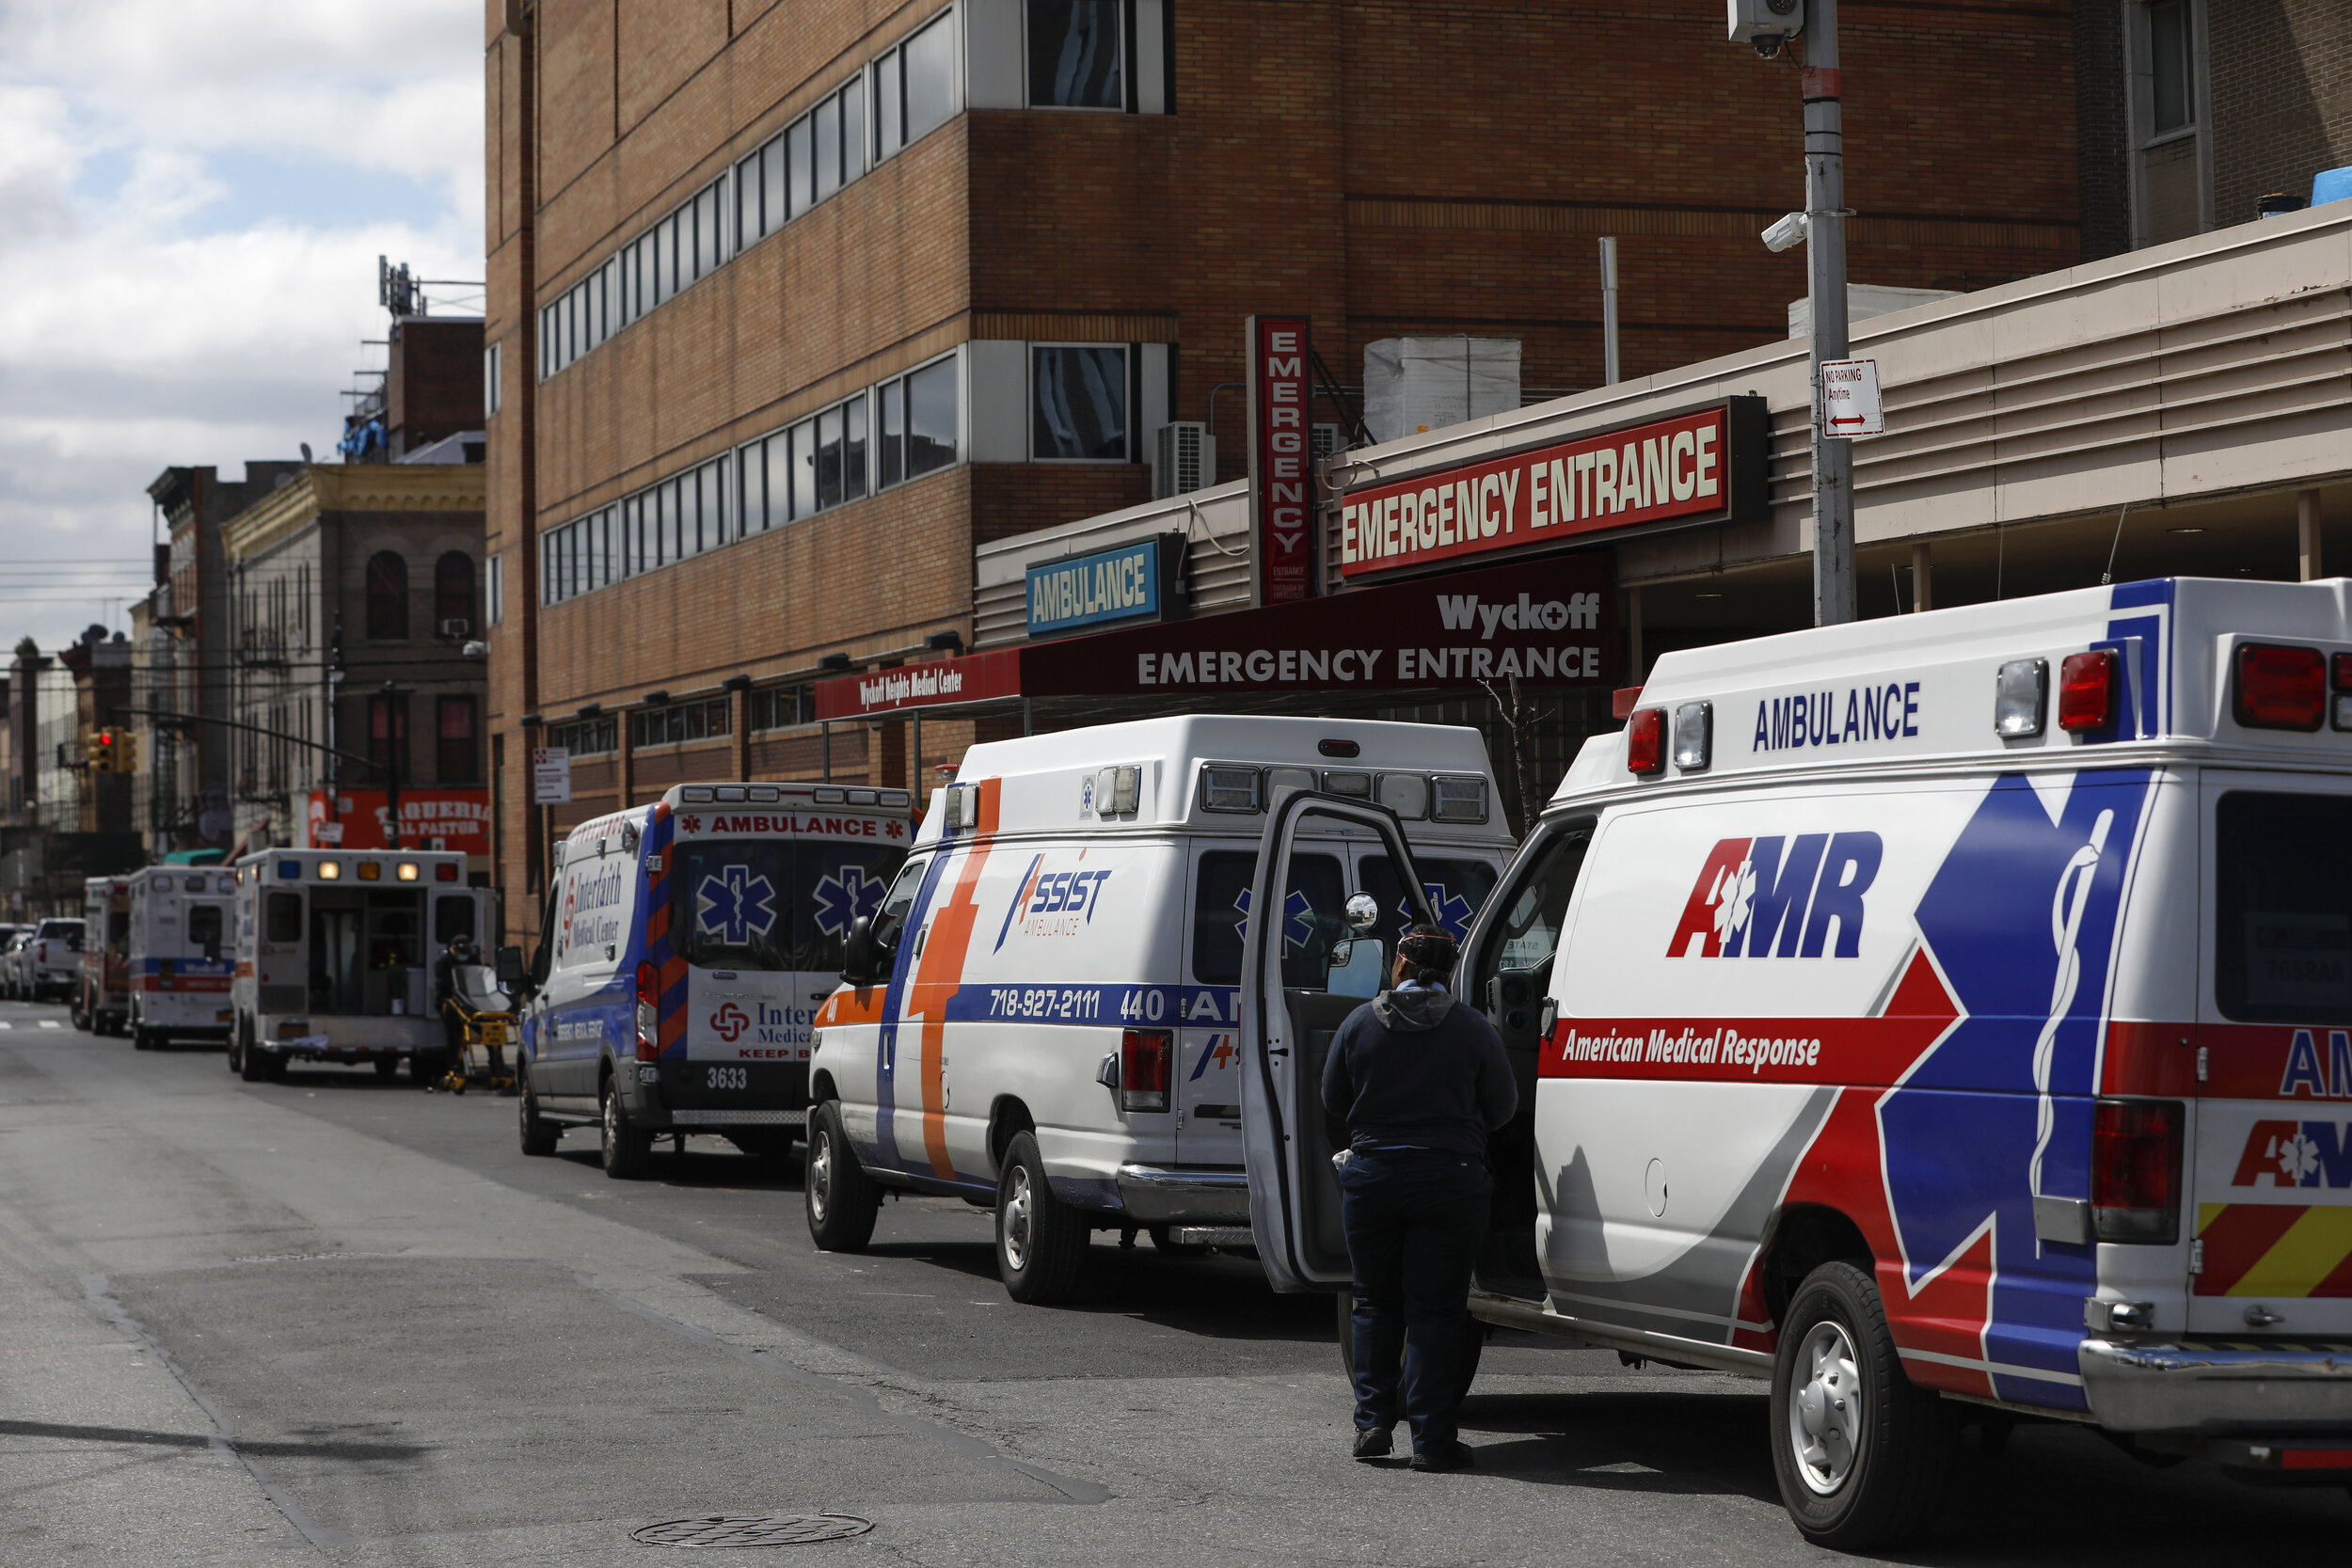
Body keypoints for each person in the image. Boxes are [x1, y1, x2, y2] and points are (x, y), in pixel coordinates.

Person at [1321, 922, 1518, 1472]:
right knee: (1436, 1312)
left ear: (1400, 967)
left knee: (1374, 1302)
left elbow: (1333, 1100)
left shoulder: (1359, 1024)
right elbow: (1502, 1108)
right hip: (1450, 1182)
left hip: (1373, 1179)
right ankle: (1432, 1442)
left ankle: (1372, 1425)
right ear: (1450, 972)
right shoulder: (1474, 1031)